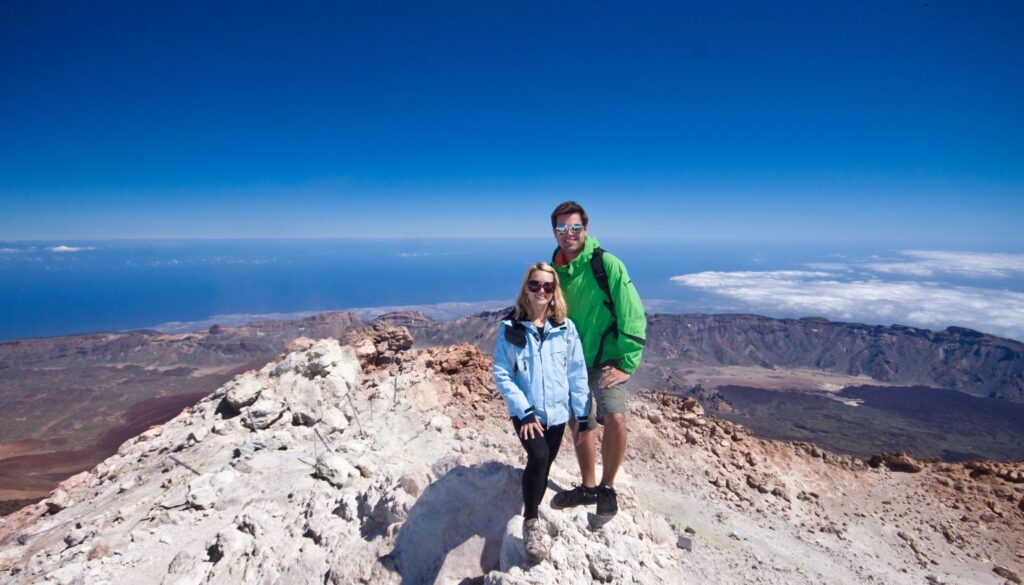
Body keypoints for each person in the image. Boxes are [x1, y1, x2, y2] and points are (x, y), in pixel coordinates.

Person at [547, 200, 647, 522]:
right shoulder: (555, 268)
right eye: (562, 228)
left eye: (575, 227)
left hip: (607, 359)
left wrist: (627, 364)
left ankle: (607, 487)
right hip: (573, 360)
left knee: (615, 418)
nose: (569, 234)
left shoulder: (608, 265)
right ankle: (588, 486)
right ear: (555, 233)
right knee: (580, 421)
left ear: (586, 230)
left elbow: (632, 313)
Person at [493, 262, 591, 562]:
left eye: (548, 286)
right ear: (526, 287)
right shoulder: (510, 328)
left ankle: (532, 499)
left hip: (558, 413)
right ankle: (531, 521)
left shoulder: (565, 328)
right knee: (537, 456)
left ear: (554, 291)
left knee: (544, 463)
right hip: (527, 412)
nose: (541, 291)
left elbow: (576, 372)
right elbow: (502, 372)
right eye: (535, 285)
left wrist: (582, 411)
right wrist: (523, 411)